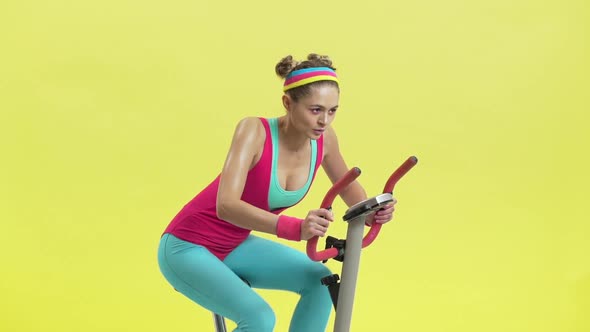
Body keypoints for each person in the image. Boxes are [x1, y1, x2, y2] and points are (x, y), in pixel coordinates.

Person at [157, 53, 397, 332]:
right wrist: (295, 228)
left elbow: (350, 190)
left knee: (319, 281)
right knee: (259, 318)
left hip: (233, 244)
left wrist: (374, 211)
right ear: (287, 103)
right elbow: (227, 206)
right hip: (186, 247)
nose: (324, 121)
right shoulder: (254, 131)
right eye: (315, 110)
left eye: (332, 111)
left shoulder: (325, 141)